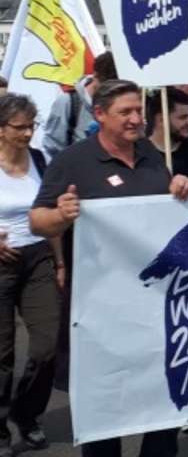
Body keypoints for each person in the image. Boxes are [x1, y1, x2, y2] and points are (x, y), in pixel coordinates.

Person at [29, 79, 188, 457]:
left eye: (138, 110)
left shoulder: (154, 156)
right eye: (126, 112)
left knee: (163, 406)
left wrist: (182, 185)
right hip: (98, 310)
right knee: (104, 415)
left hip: (156, 307)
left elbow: (168, 211)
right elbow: (38, 221)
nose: (136, 119)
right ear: (100, 115)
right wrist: (61, 215)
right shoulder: (74, 161)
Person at [0, 95, 60, 456]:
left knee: (46, 345)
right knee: (2, 352)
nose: (26, 133)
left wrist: (60, 262)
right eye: (19, 127)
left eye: (30, 126)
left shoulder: (40, 160)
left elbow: (50, 213)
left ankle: (27, 413)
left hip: (38, 257)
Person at [40, 51, 117, 160]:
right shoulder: (68, 102)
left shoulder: (122, 105)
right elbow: (52, 147)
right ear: (95, 75)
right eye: (105, 86)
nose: (109, 93)